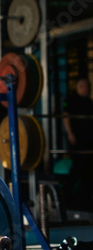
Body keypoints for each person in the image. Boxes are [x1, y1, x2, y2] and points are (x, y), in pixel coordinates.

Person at [62, 77, 93, 209]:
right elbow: (66, 117)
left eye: (89, 86)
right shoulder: (71, 100)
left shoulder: (89, 102)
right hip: (78, 140)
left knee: (88, 169)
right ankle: (64, 198)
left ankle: (84, 200)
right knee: (77, 167)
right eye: (85, 86)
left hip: (89, 141)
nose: (88, 89)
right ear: (80, 87)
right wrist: (70, 133)